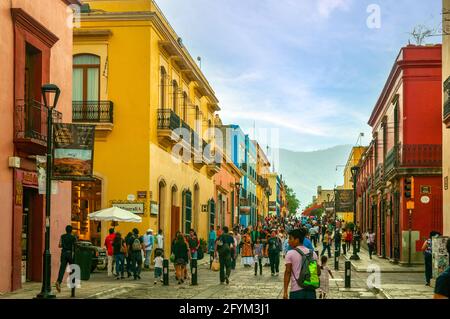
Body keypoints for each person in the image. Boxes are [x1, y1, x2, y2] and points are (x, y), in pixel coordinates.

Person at [283, 228, 320, 299]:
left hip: (296, 291)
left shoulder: (290, 253)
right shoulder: (313, 253)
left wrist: (285, 291)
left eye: (290, 239)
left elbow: (288, 272)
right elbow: (318, 272)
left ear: (297, 240)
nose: (288, 241)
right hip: (311, 290)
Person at [55, 225, 77, 292]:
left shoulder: (62, 236)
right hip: (70, 254)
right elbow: (75, 246)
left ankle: (58, 281)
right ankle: (72, 285)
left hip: (64, 253)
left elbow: (59, 245)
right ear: (71, 230)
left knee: (62, 268)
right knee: (72, 270)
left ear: (66, 230)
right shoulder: (73, 237)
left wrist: (64, 245)